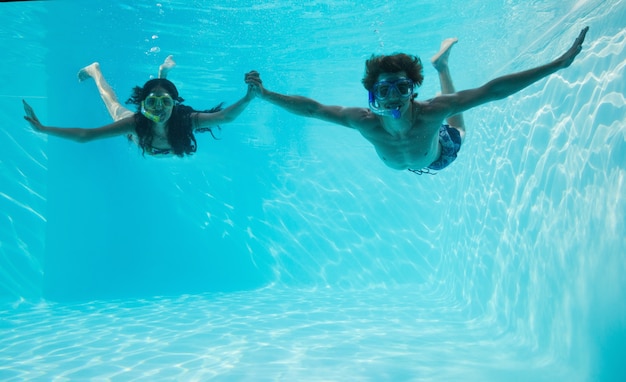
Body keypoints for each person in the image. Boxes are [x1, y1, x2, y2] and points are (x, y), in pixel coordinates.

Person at [247, 27, 589, 174]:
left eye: (400, 87)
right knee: (450, 108)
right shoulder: (361, 120)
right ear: (372, 95)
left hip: (440, 155)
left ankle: (442, 67)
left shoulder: (432, 112)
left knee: (457, 125)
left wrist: (557, 64)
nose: (393, 96)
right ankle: (442, 64)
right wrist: (264, 94)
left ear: (413, 89)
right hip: (416, 159)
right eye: (384, 90)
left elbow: (492, 90)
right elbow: (312, 109)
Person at [23, 55, 258, 157]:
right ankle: (95, 71)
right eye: (152, 102)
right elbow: (86, 136)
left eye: (165, 102)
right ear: (143, 105)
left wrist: (249, 98)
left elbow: (225, 117)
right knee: (113, 105)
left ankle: (162, 73)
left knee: (161, 89)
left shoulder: (186, 120)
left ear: (174, 106)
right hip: (139, 137)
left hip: (155, 146)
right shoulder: (134, 124)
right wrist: (42, 129)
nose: (158, 108)